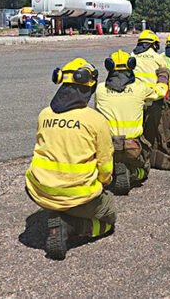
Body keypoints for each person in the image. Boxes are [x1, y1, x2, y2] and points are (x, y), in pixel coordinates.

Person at [24, 58, 115, 260]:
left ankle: (58, 213)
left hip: (39, 191)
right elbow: (105, 165)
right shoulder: (95, 120)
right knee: (109, 218)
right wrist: (104, 184)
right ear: (88, 89)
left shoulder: (44, 114)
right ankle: (70, 226)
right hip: (79, 194)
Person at [95, 50, 165, 194]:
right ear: (131, 66)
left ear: (109, 67)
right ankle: (135, 174)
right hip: (134, 146)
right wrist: (163, 76)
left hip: (108, 146)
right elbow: (161, 92)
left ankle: (112, 174)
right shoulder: (140, 88)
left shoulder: (100, 90)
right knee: (144, 171)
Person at [133, 30, 170, 172]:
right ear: (154, 44)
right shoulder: (158, 58)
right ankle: (159, 153)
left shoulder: (131, 56)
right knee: (159, 128)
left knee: (138, 129)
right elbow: (165, 80)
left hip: (136, 99)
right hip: (154, 99)